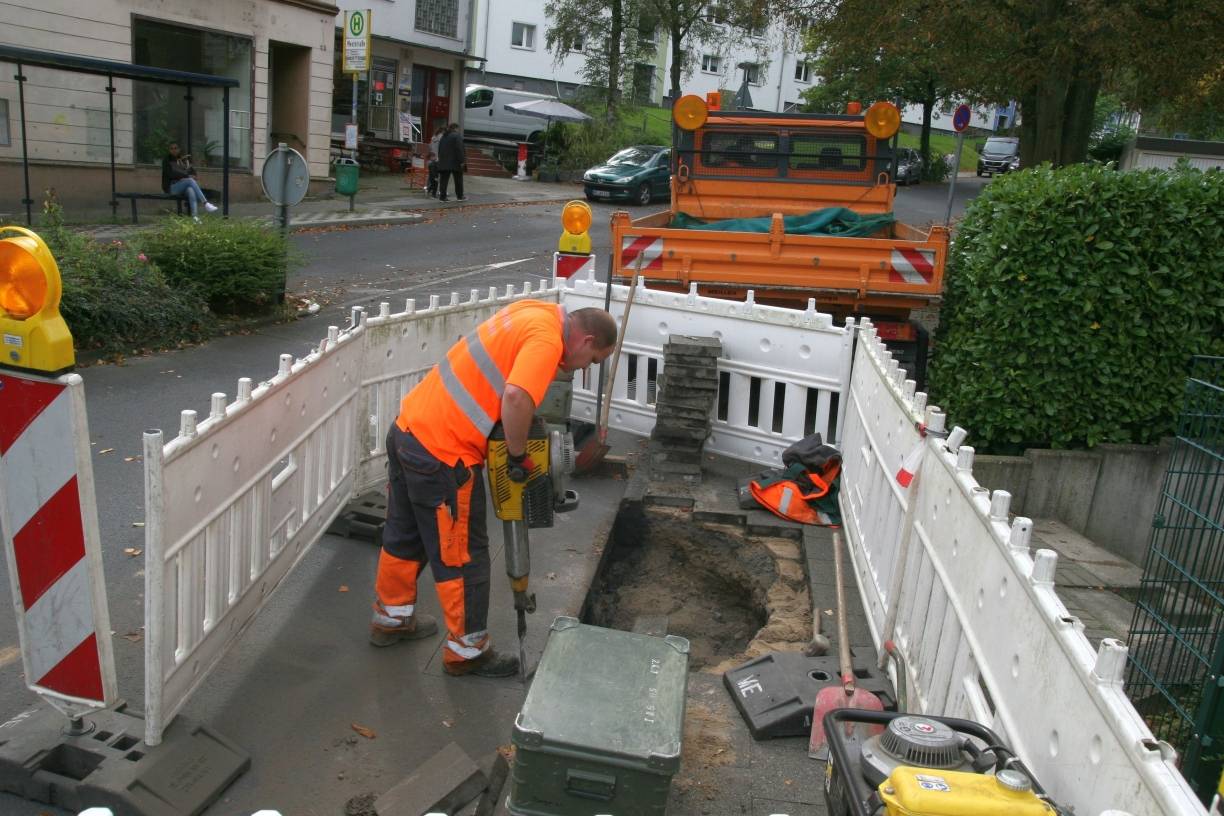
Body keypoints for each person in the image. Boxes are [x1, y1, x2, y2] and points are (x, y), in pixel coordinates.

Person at [370, 301, 618, 677]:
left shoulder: (535, 310)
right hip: (444, 454)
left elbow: (502, 375)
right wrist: (517, 456)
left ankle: (391, 620)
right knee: (465, 554)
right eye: (593, 359)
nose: (585, 368)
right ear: (585, 339)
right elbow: (516, 397)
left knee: (404, 535)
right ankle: (467, 653)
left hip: (409, 430)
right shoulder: (547, 339)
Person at [162, 142, 217, 222]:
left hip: (183, 187)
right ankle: (206, 203)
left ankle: (195, 217)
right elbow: (170, 174)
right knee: (190, 180)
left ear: (179, 149)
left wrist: (186, 176)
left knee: (190, 190)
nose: (173, 150)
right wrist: (185, 177)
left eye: (175, 148)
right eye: (171, 148)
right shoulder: (167, 160)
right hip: (171, 187)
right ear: (169, 150)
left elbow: (193, 173)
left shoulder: (183, 160)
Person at [436, 122, 466, 202]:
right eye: (458, 129)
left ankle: (442, 197)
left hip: (444, 161)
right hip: (455, 162)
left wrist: (440, 159)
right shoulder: (456, 136)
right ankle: (460, 196)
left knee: (444, 180)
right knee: (458, 179)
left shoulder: (444, 136)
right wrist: (462, 161)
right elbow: (459, 149)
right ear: (455, 128)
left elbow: (439, 149)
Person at [426, 127, 443, 198]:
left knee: (431, 175)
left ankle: (428, 189)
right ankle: (435, 191)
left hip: (431, 158)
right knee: (436, 176)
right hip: (437, 159)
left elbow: (430, 147)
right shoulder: (441, 138)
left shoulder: (433, 137)